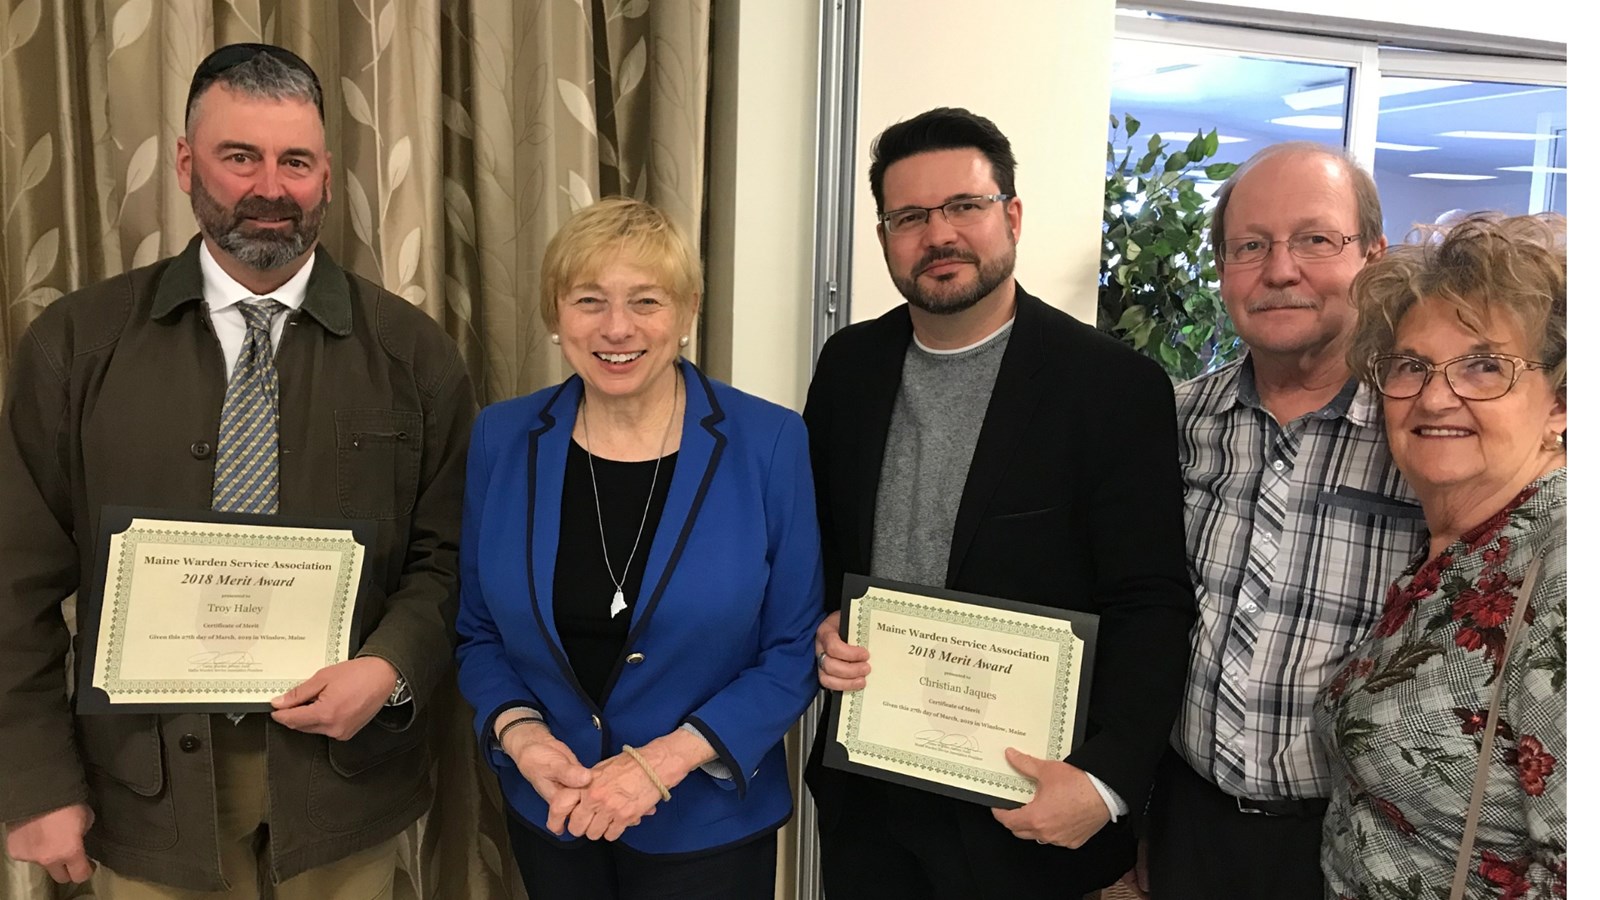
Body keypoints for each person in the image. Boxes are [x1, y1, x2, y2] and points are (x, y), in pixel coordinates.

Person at [0, 44, 474, 897]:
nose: (270, 188)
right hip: (144, 790)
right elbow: (13, 581)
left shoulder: (413, 356)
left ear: (326, 175)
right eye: (240, 157)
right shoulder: (76, 347)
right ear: (187, 164)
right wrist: (34, 779)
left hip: (344, 786)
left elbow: (449, 558)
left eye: (295, 161)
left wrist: (389, 666)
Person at [804, 107, 1194, 900]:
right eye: (910, 217)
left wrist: (1107, 781)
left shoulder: (1112, 387)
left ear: (1011, 216)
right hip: (871, 801)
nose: (938, 234)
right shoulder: (849, 367)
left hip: (1026, 817)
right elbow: (824, 547)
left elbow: (1150, 600)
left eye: (964, 206)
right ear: (884, 237)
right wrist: (826, 624)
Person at [454, 197, 823, 900]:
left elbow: (793, 649)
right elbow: (477, 631)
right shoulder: (502, 438)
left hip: (706, 827)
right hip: (553, 811)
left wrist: (662, 764)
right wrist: (522, 735)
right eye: (589, 300)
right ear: (556, 313)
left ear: (687, 313)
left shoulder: (770, 442)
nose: (617, 327)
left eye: (646, 301)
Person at [1138, 142, 1430, 899]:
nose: (1279, 270)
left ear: (1373, 256)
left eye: (1315, 239)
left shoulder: (1424, 432)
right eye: (1250, 246)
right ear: (1222, 269)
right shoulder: (1173, 422)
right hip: (1186, 824)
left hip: (1356, 845)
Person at [1315, 212, 1566, 898]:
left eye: (1485, 366)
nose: (1433, 396)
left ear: (1560, 402)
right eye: (1412, 366)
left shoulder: (1567, 568)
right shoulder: (1460, 550)